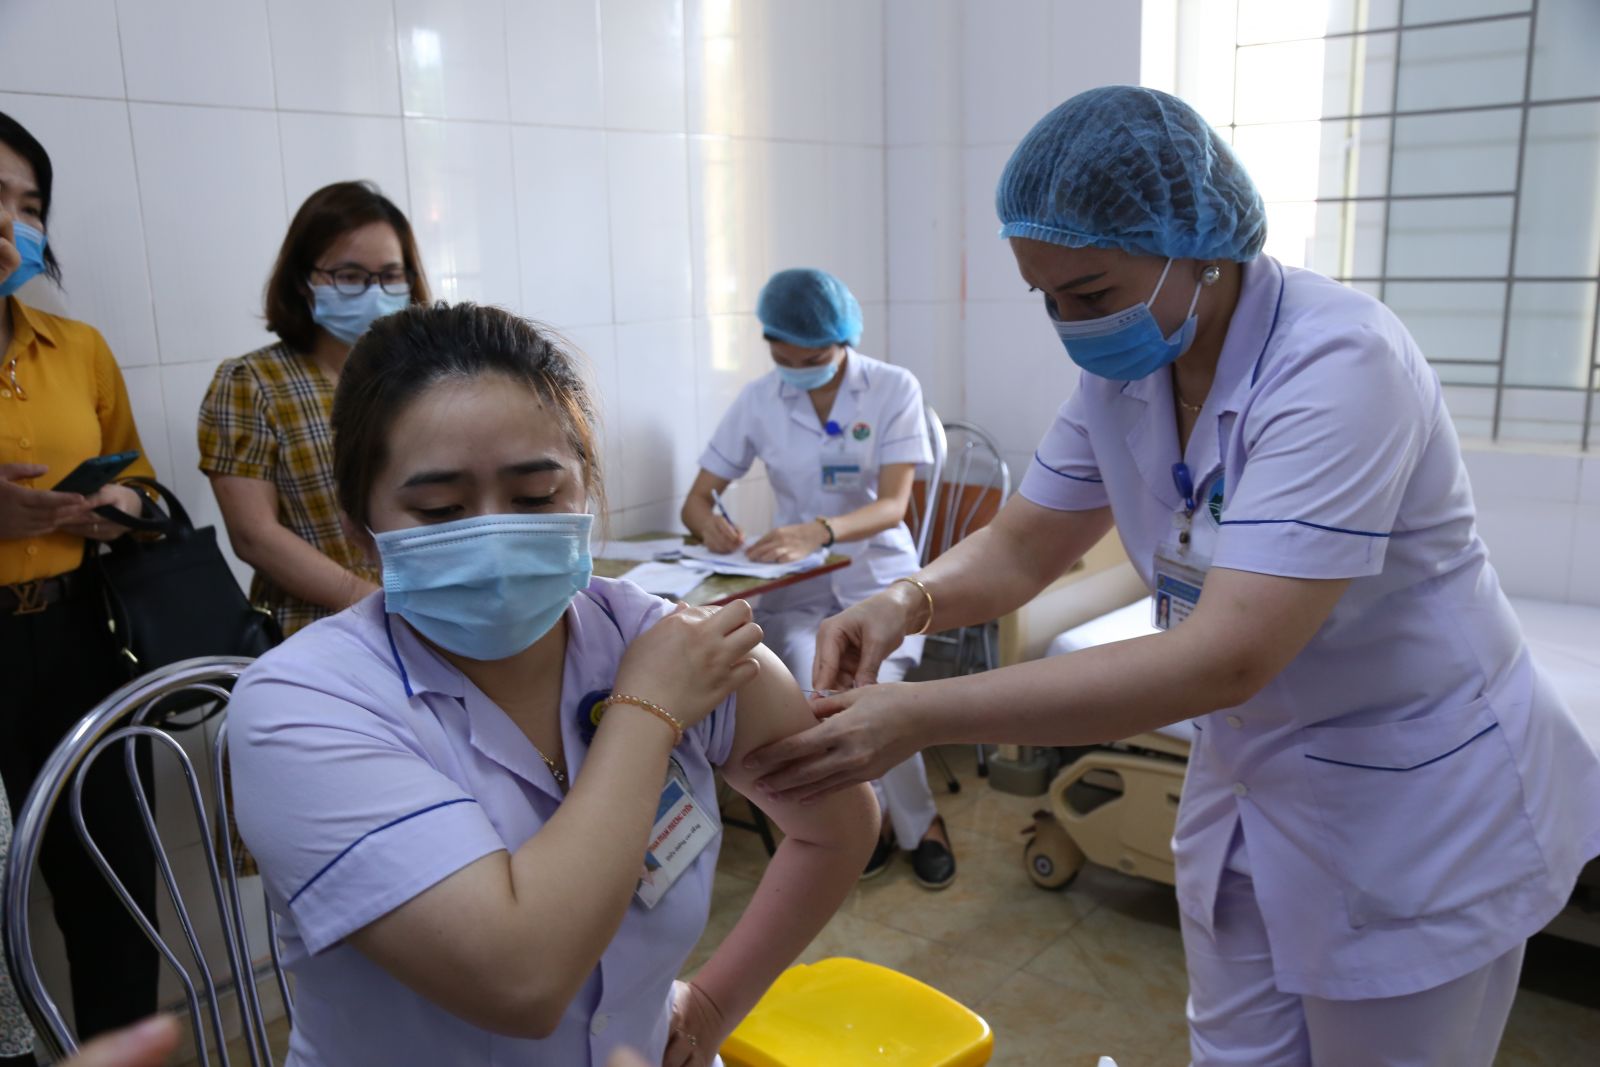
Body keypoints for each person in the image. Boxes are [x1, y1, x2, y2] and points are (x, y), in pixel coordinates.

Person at [746, 86, 1600, 1066]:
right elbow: (1024, 546)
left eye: (1090, 294)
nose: (1070, 324)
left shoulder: (1341, 363)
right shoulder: (1128, 370)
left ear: (1199, 249)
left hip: (1410, 802)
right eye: (1046, 298)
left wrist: (919, 713)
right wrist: (907, 601)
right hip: (1250, 776)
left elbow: (1229, 655)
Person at [228, 303, 877, 1066]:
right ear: (357, 523)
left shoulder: (672, 641)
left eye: (536, 497)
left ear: (586, 489)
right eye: (440, 509)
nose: (495, 536)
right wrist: (647, 712)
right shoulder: (301, 706)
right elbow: (519, 979)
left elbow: (838, 823)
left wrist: (712, 1004)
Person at [681, 268, 956, 889]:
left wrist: (820, 531)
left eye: (813, 359)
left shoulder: (891, 387)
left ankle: (923, 826)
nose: (797, 370)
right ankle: (872, 821)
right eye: (784, 358)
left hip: (880, 580)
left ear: (842, 339)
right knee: (818, 692)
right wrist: (708, 523)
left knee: (872, 688)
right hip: (800, 590)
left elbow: (893, 505)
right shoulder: (760, 399)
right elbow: (696, 499)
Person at [0, 111, 161, 1047]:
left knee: (113, 884)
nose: (13, 223)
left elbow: (139, 478)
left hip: (76, 640)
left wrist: (120, 507)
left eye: (30, 207)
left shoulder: (79, 348)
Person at [198, 181, 430, 637]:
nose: (373, 292)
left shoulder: (421, 378)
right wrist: (373, 603)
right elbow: (254, 536)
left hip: (430, 617)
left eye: (389, 275)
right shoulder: (251, 382)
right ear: (304, 281)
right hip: (317, 630)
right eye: (349, 276)